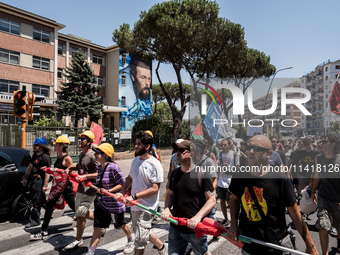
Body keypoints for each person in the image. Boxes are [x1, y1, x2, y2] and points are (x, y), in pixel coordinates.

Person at [227, 135, 318, 255]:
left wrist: (310, 245)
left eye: (257, 149)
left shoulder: (280, 179)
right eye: (249, 147)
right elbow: (234, 199)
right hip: (249, 244)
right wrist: (233, 225)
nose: (251, 151)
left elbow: (295, 215)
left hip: (276, 245)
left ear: (269, 154)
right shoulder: (239, 175)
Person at [114, 131, 167, 255]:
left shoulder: (155, 164)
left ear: (147, 146)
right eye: (136, 143)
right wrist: (122, 191)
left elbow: (155, 189)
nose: (136, 146)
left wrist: (134, 196)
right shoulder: (135, 161)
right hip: (134, 206)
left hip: (147, 207)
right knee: (142, 232)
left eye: (139, 144)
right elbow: (130, 178)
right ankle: (162, 247)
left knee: (139, 240)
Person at [161, 140, 216, 255]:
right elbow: (170, 194)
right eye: (176, 150)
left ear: (192, 154)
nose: (177, 153)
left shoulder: (202, 173)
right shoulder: (174, 174)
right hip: (175, 226)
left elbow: (212, 200)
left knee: (202, 253)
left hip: (195, 230)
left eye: (181, 150)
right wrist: (166, 208)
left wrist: (197, 217)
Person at [86, 143, 134, 255]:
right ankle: (91, 252)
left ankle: (130, 239)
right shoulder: (99, 167)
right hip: (103, 203)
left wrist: (109, 191)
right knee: (97, 228)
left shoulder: (113, 167)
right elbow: (100, 184)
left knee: (121, 224)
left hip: (115, 203)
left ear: (105, 155)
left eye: (98, 152)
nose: (95, 154)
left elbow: (122, 183)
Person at [30, 136, 75, 240]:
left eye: (56, 144)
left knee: (74, 206)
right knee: (49, 206)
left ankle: (86, 220)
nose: (54, 146)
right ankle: (43, 231)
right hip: (57, 187)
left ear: (62, 146)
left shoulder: (67, 158)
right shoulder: (58, 157)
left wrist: (66, 171)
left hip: (66, 188)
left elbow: (71, 172)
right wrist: (50, 170)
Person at [65, 131, 99, 250]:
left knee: (80, 212)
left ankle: (78, 240)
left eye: (82, 139)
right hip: (80, 187)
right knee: (80, 214)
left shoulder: (93, 155)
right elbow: (80, 168)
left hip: (90, 188)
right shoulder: (81, 154)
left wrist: (85, 177)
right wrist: (70, 168)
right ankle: (101, 220)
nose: (79, 140)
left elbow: (98, 173)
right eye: (79, 138)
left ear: (89, 142)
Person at [311, 133, 340, 255]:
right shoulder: (319, 158)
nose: (321, 143)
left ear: (333, 144)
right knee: (323, 225)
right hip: (323, 197)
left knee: (339, 228)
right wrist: (312, 191)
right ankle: (325, 253)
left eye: (324, 141)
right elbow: (317, 176)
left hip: (338, 199)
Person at [23, 137, 51, 228]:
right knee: (40, 200)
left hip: (39, 181)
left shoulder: (45, 157)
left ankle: (35, 221)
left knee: (35, 201)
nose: (34, 146)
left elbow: (48, 172)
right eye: (34, 145)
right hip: (33, 180)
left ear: (41, 146)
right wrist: (25, 177)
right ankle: (50, 209)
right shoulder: (35, 155)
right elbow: (30, 167)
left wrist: (45, 185)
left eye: (36, 145)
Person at [217, 138, 239, 226]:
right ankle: (226, 219)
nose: (223, 146)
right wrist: (217, 178)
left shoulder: (234, 154)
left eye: (225, 145)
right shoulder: (220, 154)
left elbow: (237, 167)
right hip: (221, 180)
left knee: (230, 201)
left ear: (229, 145)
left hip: (231, 180)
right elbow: (219, 167)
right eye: (222, 145)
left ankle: (234, 220)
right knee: (222, 200)